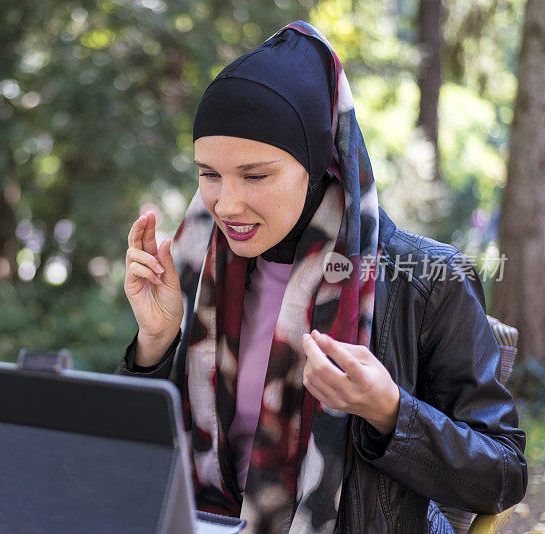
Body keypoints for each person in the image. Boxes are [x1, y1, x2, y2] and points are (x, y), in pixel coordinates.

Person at [114, 21, 527, 534]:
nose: (226, 203)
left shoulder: (426, 279)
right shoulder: (198, 271)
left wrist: (390, 411)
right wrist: (154, 346)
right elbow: (127, 466)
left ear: (317, 163)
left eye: (256, 175)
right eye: (209, 174)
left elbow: (504, 476)